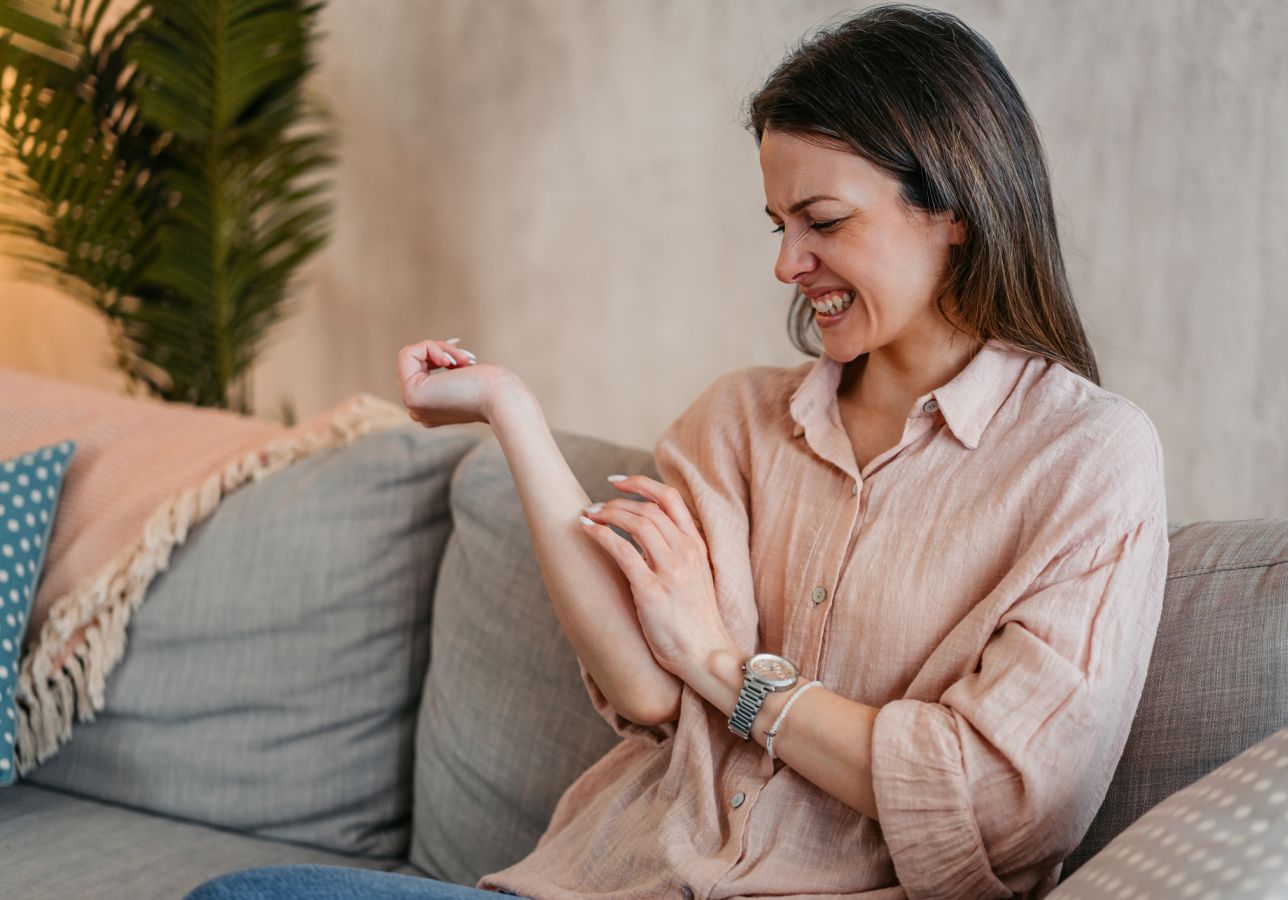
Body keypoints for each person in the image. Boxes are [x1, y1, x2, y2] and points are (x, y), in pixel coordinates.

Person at [185, 4, 1167, 899]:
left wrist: (730, 669)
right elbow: (649, 689)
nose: (787, 264)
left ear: (953, 209)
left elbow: (1001, 804)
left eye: (823, 222)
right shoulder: (738, 421)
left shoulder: (1085, 460)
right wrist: (508, 410)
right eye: (779, 226)